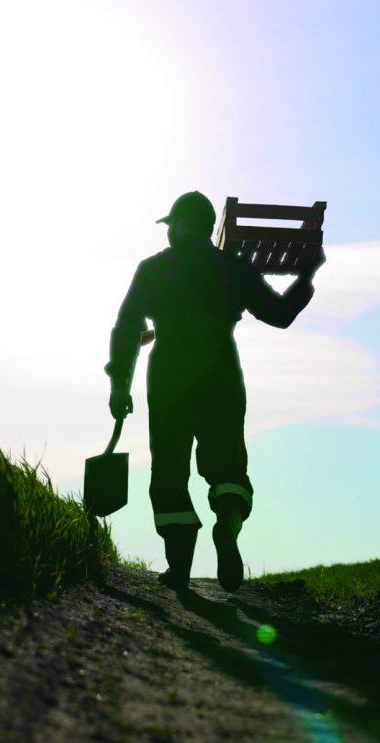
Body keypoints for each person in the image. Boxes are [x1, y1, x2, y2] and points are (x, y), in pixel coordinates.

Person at [105, 191, 325, 592]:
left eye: (172, 223)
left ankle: (179, 569)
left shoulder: (153, 269)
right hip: (222, 375)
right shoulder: (233, 267)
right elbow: (279, 316)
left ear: (185, 224)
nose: (169, 231)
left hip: (170, 377)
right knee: (227, 469)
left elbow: (126, 330)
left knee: (170, 472)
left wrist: (120, 383)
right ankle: (227, 525)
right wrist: (306, 280)